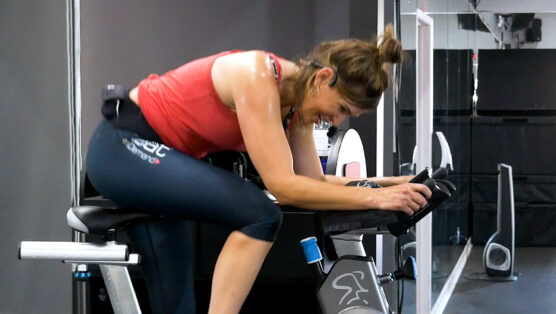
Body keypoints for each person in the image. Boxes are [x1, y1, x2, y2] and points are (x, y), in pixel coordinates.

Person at [86, 25, 431, 314]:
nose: (338, 120)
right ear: (324, 78)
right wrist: (378, 199)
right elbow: (283, 187)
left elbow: (312, 182)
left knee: (178, 306)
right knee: (260, 213)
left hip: (160, 163)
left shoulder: (298, 105)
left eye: (348, 116)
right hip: (124, 148)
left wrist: (381, 185)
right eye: (341, 107)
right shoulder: (257, 75)